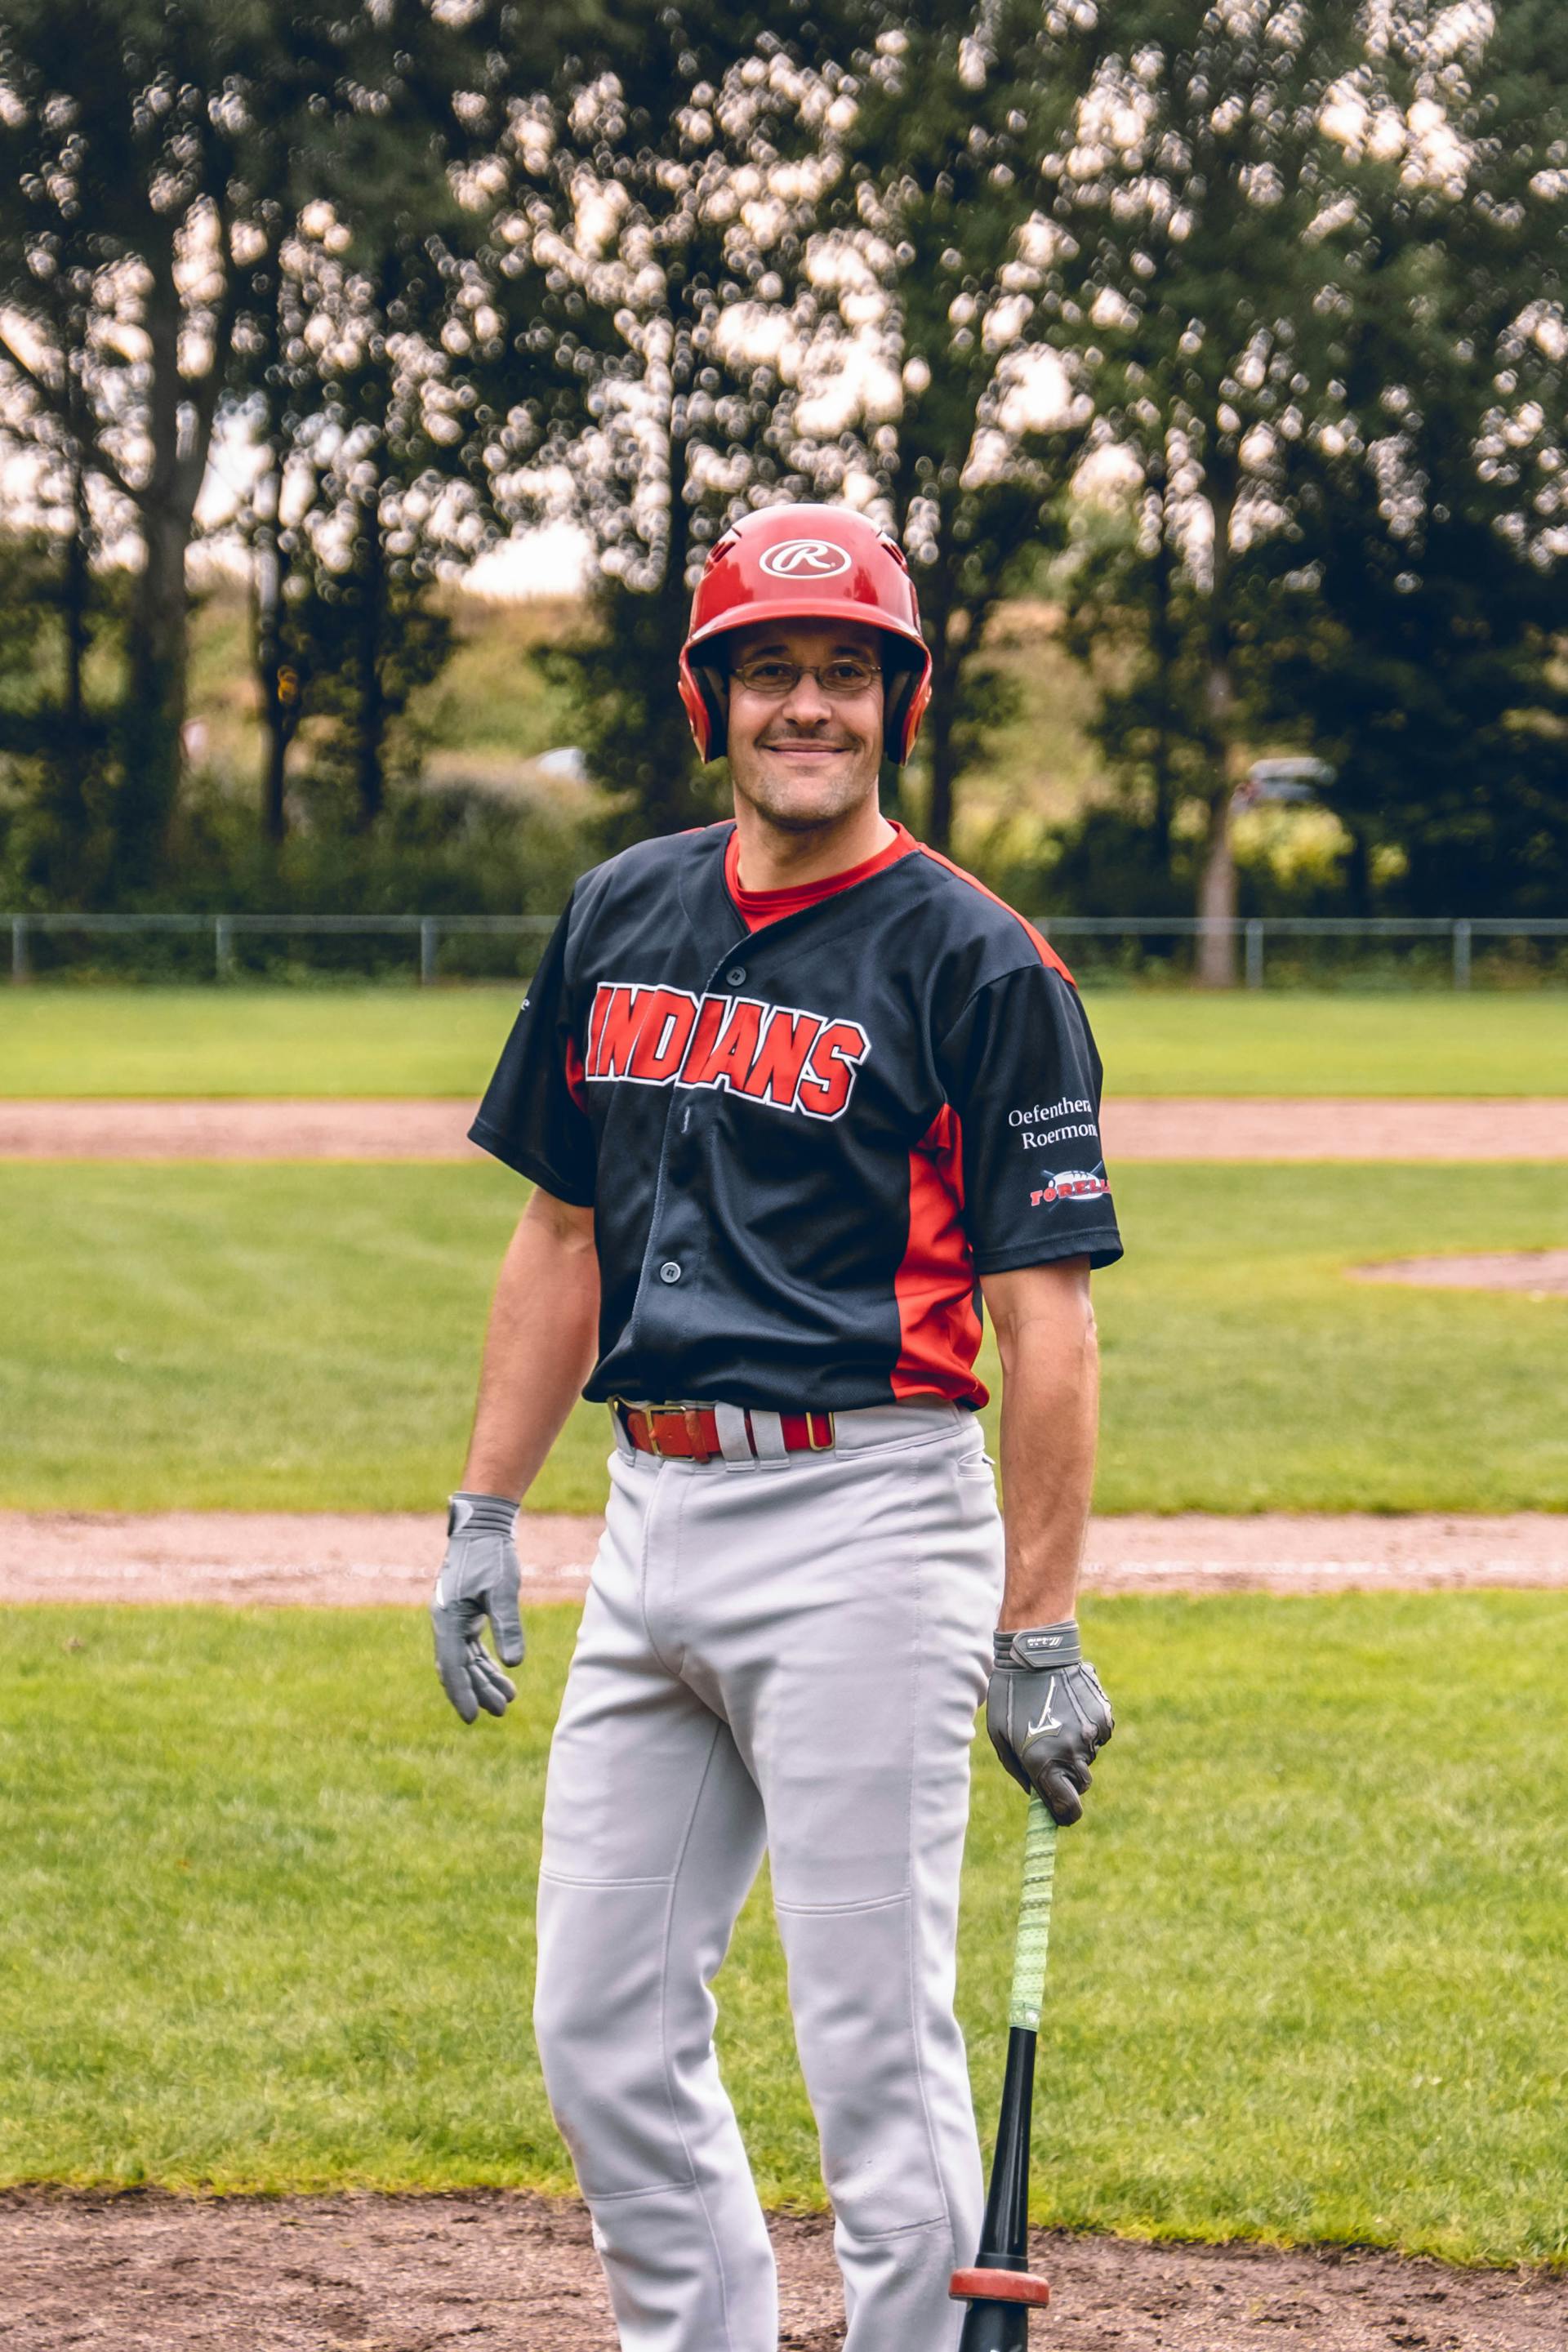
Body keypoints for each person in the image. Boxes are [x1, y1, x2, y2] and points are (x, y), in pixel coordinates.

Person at [430, 503, 1120, 2352]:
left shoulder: (981, 965)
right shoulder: (621, 910)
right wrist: (486, 1511)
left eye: (843, 672)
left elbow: (1049, 1317)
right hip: (650, 1511)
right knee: (602, 2026)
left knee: (873, 2048)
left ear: (898, 700)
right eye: (768, 671)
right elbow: (560, 1226)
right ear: (707, 697)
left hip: (870, 1525)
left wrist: (1035, 1626)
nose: (803, 704)